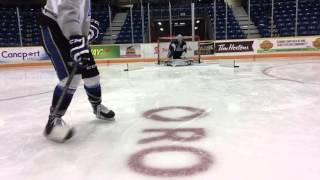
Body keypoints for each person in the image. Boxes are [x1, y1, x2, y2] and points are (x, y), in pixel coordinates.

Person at [38, 0, 115, 143]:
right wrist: (75, 38)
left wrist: (85, 32)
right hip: (55, 26)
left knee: (93, 77)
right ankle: (54, 119)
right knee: (71, 79)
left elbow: (79, 11)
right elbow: (66, 9)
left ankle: (97, 107)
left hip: (71, 28)